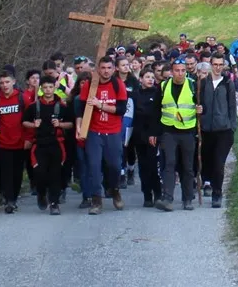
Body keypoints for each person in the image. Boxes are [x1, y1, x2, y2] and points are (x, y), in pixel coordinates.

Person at [74, 58, 129, 215]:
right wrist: (79, 126)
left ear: (113, 69)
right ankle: (96, 199)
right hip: (94, 132)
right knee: (94, 166)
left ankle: (115, 191)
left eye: (109, 68)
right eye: (103, 68)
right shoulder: (90, 86)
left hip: (113, 132)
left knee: (114, 165)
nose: (106, 71)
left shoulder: (118, 85)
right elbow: (80, 108)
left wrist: (101, 105)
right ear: (97, 69)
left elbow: (121, 109)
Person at [154, 60, 199, 211]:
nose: (180, 73)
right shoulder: (163, 86)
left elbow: (201, 105)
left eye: (182, 70)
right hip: (169, 130)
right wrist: (154, 132)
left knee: (187, 166)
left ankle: (187, 198)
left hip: (188, 130)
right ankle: (167, 198)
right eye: (177, 70)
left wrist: (201, 109)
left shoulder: (194, 85)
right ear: (171, 71)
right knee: (169, 164)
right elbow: (156, 110)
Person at [25, 83, 73, 215]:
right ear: (41, 89)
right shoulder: (34, 106)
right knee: (40, 173)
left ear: (54, 88)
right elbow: (24, 122)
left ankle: (54, 203)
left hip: (57, 144)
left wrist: (60, 124)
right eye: (45, 87)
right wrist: (33, 124)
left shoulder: (61, 106)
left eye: (50, 87)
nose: (48, 90)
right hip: (39, 144)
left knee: (55, 174)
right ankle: (41, 193)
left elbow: (71, 124)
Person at [197, 57, 238, 208]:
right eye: (215, 64)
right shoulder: (202, 82)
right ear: (210, 65)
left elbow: (232, 106)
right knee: (207, 161)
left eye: (221, 65)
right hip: (206, 129)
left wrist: (232, 126)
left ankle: (217, 193)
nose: (218, 68)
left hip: (224, 130)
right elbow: (198, 103)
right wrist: (199, 110)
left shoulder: (228, 83)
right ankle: (206, 182)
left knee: (219, 163)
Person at [0, 67, 33, 214]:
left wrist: (29, 138)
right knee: (5, 172)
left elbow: (29, 119)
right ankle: (9, 200)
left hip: (20, 142)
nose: (4, 85)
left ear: (13, 82)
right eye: (2, 83)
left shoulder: (23, 98)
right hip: (2, 143)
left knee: (17, 173)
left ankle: (13, 198)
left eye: (7, 82)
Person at [129, 67, 164, 207]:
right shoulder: (134, 95)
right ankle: (147, 195)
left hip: (153, 135)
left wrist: (155, 133)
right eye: (147, 77)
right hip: (138, 136)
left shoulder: (157, 94)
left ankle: (158, 193)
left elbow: (158, 115)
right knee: (143, 166)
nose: (150, 79)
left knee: (153, 165)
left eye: (152, 77)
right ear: (141, 79)